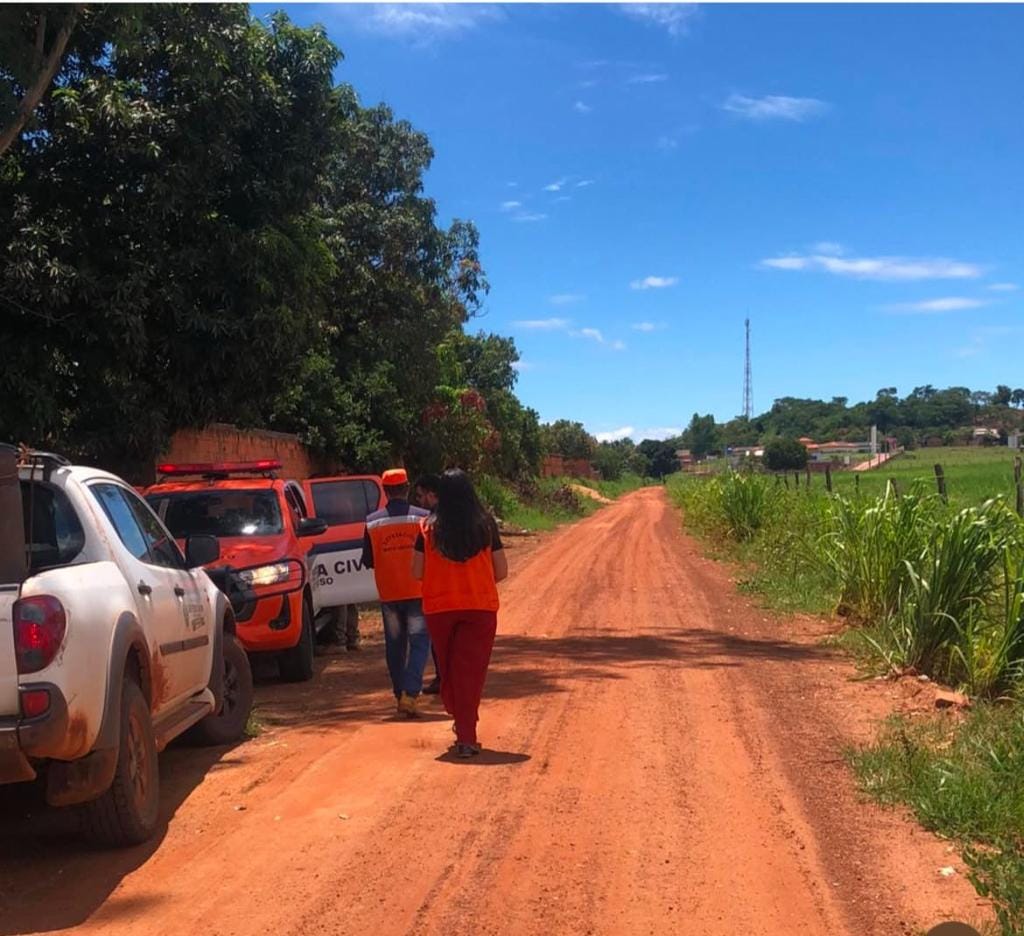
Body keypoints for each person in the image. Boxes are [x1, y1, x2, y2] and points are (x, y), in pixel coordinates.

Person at [412, 469, 508, 758]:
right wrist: (476, 579)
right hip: (479, 608)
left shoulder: (426, 528)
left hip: (439, 609)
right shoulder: (486, 526)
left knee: (449, 670)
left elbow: (417, 571)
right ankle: (466, 732)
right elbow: (501, 571)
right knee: (470, 672)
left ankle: (462, 723)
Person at [362, 468, 431, 717]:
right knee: (420, 642)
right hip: (417, 590)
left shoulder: (372, 522)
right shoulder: (423, 518)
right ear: (408, 488)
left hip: (389, 594)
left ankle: (399, 692)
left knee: (395, 646)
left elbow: (368, 560)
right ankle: (410, 694)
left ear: (385, 491)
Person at [414, 474, 442, 695]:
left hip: (437, 598)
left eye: (421, 496)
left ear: (432, 494)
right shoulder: (472, 521)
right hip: (470, 597)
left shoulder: (426, 526)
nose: (419, 501)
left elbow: (417, 571)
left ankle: (444, 678)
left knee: (438, 643)